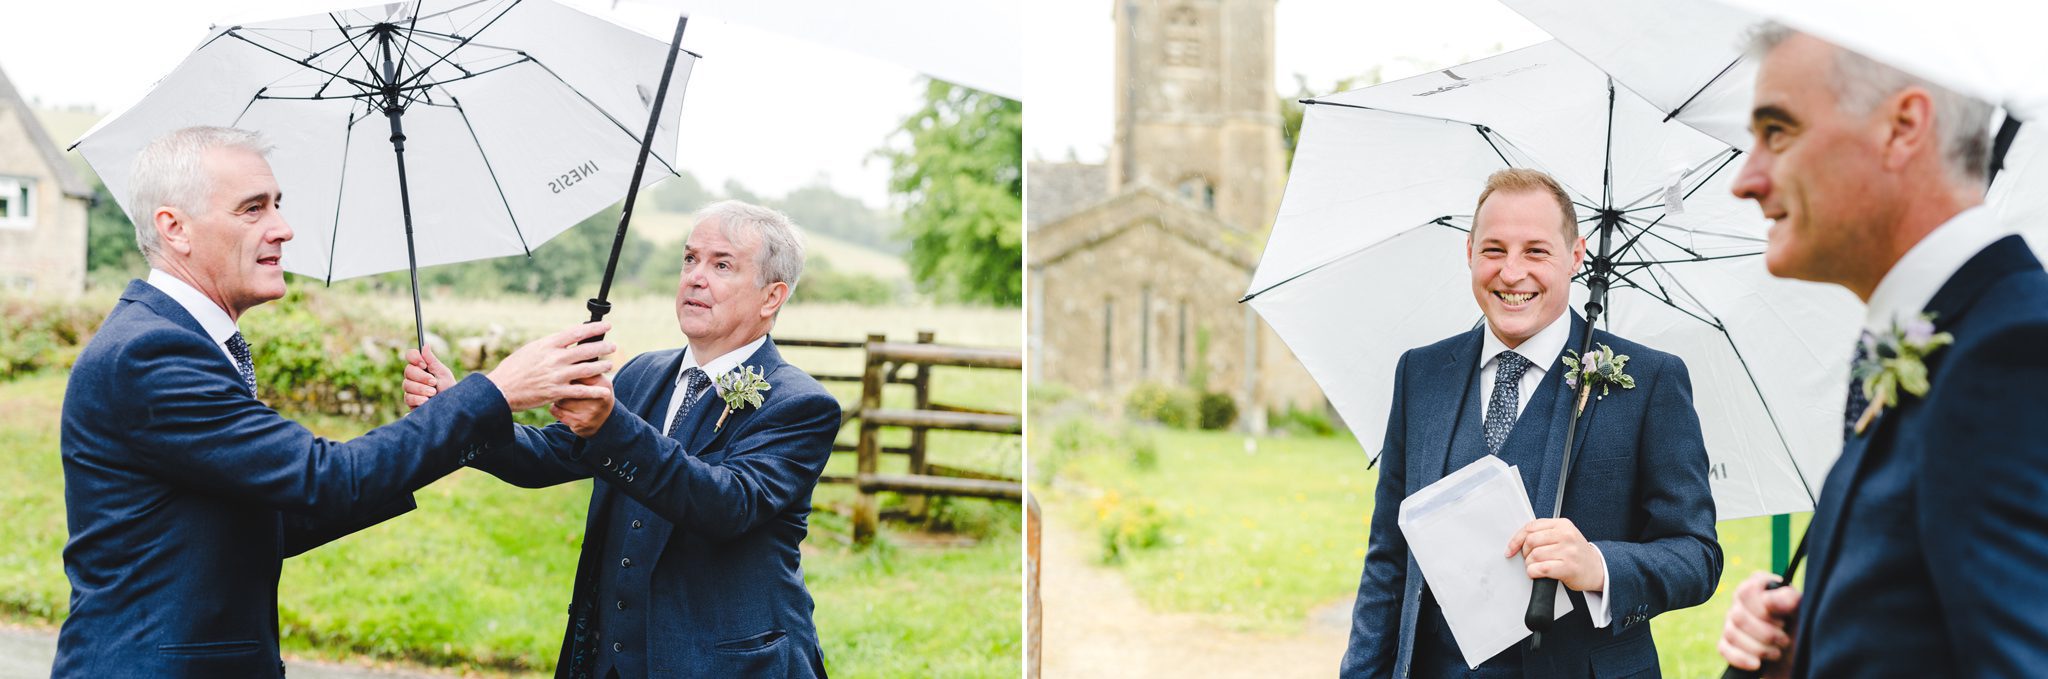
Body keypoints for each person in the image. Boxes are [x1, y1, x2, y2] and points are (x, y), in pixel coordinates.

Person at [54, 126, 615, 678]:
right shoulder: (153, 353)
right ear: (175, 228)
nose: (284, 229)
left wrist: (449, 421)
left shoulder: (175, 339)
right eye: (253, 209)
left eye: (278, 205)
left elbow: (276, 516)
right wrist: (495, 392)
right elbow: (325, 479)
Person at [1718, 25, 2048, 677]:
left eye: (1777, 130)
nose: (1746, 178)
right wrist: (1814, 635)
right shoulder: (1936, 339)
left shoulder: (2013, 356)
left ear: (1903, 127)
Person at [405, 200, 841, 678]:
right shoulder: (643, 374)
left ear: (771, 297)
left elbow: (726, 504)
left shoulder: (800, 405)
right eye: (690, 258)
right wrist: (461, 411)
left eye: (722, 265)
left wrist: (609, 426)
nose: (695, 277)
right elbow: (548, 456)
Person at [1341, 168, 1720, 678]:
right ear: (1470, 252)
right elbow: (1389, 558)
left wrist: (1598, 565)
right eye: (1494, 250)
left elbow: (1696, 555)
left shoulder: (1652, 380)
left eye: (1536, 251)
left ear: (1576, 256)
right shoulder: (1421, 374)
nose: (1512, 273)